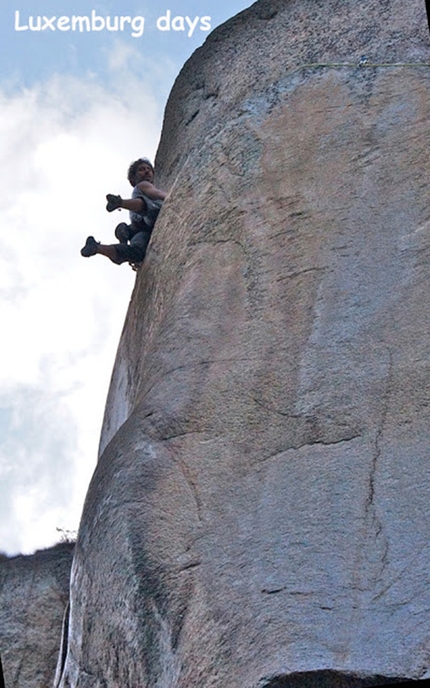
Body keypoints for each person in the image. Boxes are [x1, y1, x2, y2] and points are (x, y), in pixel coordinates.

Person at [80, 157, 167, 266]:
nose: (146, 171)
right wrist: (171, 197)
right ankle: (120, 203)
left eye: (148, 169)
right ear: (133, 178)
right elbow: (157, 193)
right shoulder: (143, 185)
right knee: (151, 209)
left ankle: (97, 248)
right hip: (147, 219)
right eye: (141, 169)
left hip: (139, 229)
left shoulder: (138, 190)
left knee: (136, 252)